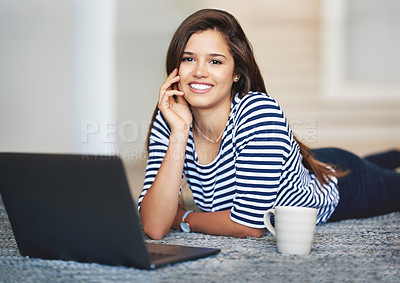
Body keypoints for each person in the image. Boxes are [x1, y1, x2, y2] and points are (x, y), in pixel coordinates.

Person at [138, 9, 400, 240]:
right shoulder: (172, 117)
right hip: (308, 163)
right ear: (175, 69)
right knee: (335, 161)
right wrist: (180, 133)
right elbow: (154, 226)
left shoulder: (259, 113)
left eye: (215, 61)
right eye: (188, 59)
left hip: (344, 185)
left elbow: (247, 225)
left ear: (237, 73)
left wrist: (185, 218)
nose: (199, 71)